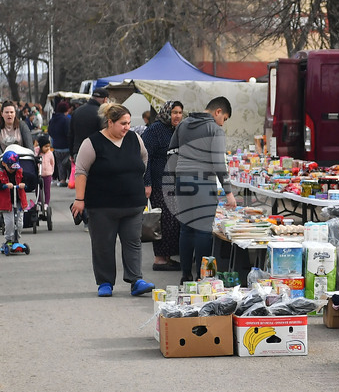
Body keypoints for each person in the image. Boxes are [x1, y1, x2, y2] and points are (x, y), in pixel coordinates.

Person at [70, 103, 155, 298]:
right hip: (101, 206)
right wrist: (79, 199)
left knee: (133, 242)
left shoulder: (135, 139)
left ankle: (136, 280)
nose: (127, 127)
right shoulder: (92, 143)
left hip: (133, 204)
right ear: (110, 122)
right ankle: (105, 282)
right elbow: (81, 172)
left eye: (128, 123)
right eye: (123, 123)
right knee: (103, 245)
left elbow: (144, 159)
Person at [167, 97, 237, 282]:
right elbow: (218, 163)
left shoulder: (183, 124)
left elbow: (171, 151)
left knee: (186, 228)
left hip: (182, 179)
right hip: (203, 182)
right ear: (218, 112)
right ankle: (202, 277)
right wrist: (229, 192)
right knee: (203, 230)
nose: (223, 123)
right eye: (225, 118)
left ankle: (185, 275)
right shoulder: (214, 129)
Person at [142, 101, 184, 271]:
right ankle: (159, 259)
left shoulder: (175, 130)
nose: (178, 116)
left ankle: (166, 257)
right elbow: (145, 158)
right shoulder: (154, 130)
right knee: (162, 222)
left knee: (171, 222)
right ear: (167, 112)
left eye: (180, 112)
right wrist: (147, 183)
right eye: (174, 112)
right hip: (158, 184)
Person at [0, 151, 28, 254]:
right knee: (10, 222)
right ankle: (9, 240)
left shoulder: (20, 171)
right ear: (4, 164)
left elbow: (28, 181)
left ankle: (17, 239)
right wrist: (4, 186)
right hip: (7, 203)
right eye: (10, 167)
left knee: (19, 223)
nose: (13, 170)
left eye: (14, 168)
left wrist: (24, 184)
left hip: (19, 201)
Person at [0, 100, 34, 175]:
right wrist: (4, 159)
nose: (9, 115)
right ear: (2, 114)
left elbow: (29, 145)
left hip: (21, 162)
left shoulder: (22, 126)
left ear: (15, 114)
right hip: (3, 162)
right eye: (6, 112)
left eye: (11, 112)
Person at [69, 88, 108, 161]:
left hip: (78, 151)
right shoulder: (101, 113)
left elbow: (71, 134)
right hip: (96, 152)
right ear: (105, 99)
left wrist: (71, 153)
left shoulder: (77, 111)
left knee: (81, 172)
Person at [48, 101, 72, 187]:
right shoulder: (67, 119)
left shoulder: (52, 120)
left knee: (60, 164)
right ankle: (70, 179)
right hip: (66, 146)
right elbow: (69, 133)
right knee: (68, 163)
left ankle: (62, 179)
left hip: (56, 145)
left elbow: (50, 131)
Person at [36, 135, 55, 208]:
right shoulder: (36, 152)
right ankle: (39, 201)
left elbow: (52, 163)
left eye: (49, 146)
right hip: (39, 174)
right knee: (38, 189)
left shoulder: (50, 153)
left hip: (47, 174)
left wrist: (51, 171)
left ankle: (46, 203)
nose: (48, 148)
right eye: (46, 146)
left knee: (47, 189)